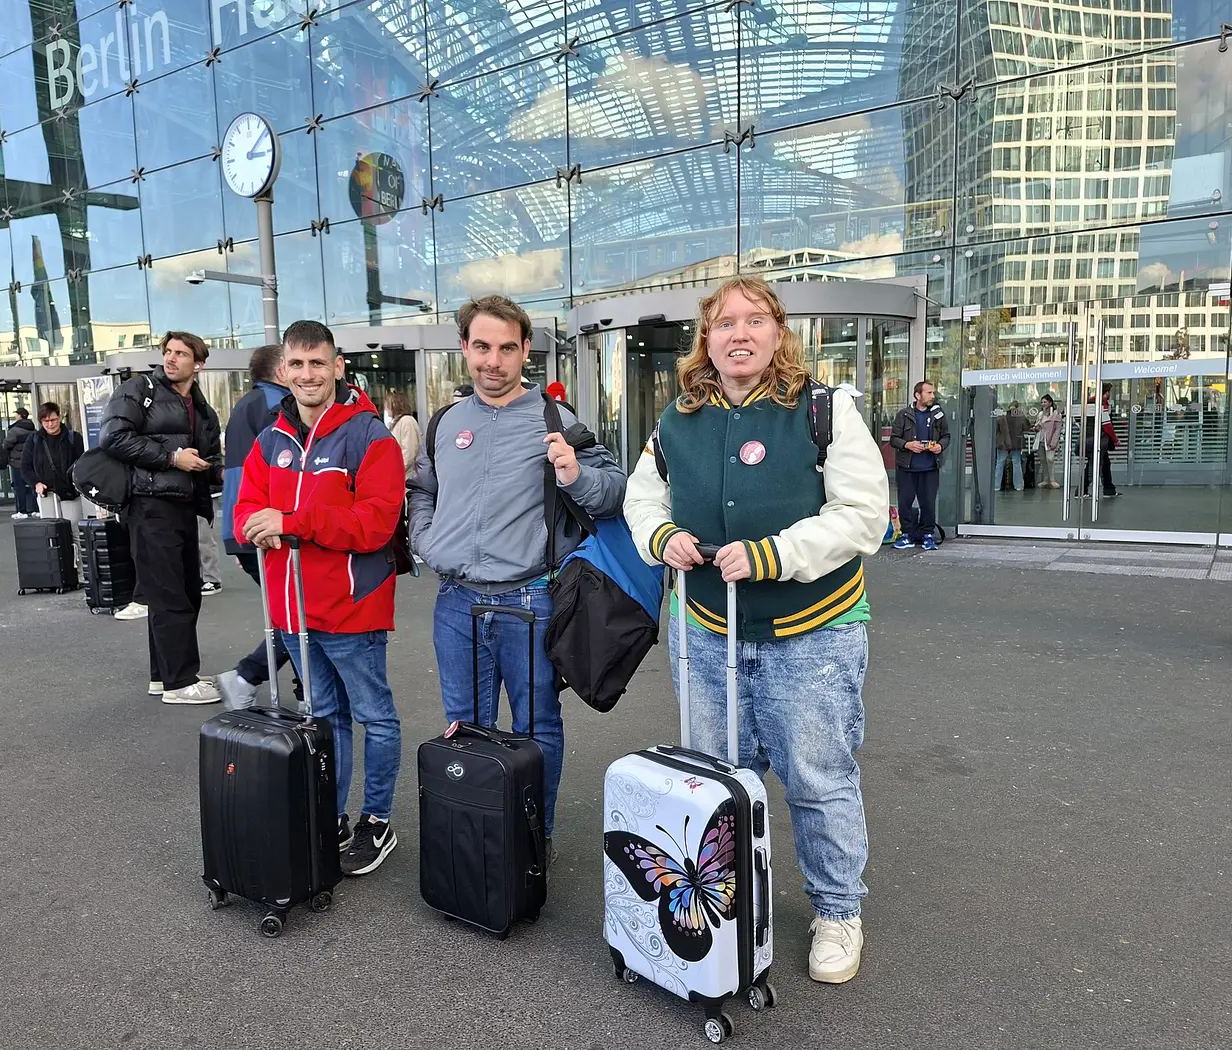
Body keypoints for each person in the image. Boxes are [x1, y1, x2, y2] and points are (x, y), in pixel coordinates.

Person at [622, 275, 889, 985]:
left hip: (814, 635)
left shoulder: (825, 410)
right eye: (724, 322)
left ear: (778, 333)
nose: (739, 334)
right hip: (707, 632)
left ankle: (837, 911)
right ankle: (732, 903)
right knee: (714, 781)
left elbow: (865, 516)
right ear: (705, 339)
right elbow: (641, 498)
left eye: (755, 320)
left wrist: (776, 554)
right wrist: (663, 537)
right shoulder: (675, 420)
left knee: (818, 778)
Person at [407, 294, 627, 851]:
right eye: (482, 346)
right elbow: (422, 489)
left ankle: (532, 839)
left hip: (528, 603)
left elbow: (615, 492)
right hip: (455, 602)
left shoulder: (556, 420)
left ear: (526, 349)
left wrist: (576, 474)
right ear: (464, 347)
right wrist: (426, 541)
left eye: (507, 348)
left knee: (535, 729)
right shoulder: (445, 422)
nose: (493, 361)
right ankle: (477, 836)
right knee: (464, 726)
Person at [234, 320, 406, 875]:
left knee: (375, 717)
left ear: (338, 367)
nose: (308, 375)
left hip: (352, 608)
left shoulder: (368, 436)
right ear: (283, 371)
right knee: (324, 718)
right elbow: (242, 516)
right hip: (291, 612)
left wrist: (291, 522)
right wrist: (260, 526)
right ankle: (331, 816)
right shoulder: (269, 439)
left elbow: (375, 524)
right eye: (298, 365)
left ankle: (376, 822)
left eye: (318, 363)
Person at [98, 331, 223, 705]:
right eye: (168, 351)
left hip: (185, 506)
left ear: (197, 364)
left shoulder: (202, 409)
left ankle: (164, 675)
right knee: (170, 595)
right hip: (149, 507)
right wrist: (172, 458)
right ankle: (180, 682)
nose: (171, 359)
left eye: (181, 354)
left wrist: (217, 470)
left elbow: (210, 457)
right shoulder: (140, 388)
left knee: (184, 593)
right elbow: (112, 437)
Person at [216, 344, 294, 708]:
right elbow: (283, 471)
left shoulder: (247, 404)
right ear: (281, 370)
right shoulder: (276, 407)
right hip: (265, 525)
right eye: (295, 363)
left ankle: (259, 679)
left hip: (245, 524)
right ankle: (246, 675)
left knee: (291, 609)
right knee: (300, 613)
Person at [888, 380, 949, 550]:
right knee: (905, 502)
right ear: (918, 395)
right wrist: (907, 445)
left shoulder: (938, 414)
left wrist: (940, 446)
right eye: (929, 393)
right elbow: (894, 439)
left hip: (930, 468)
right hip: (907, 468)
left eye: (932, 392)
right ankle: (906, 535)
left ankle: (927, 535)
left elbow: (946, 435)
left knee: (928, 503)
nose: (932, 396)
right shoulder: (904, 415)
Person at [19, 403, 85, 526]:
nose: (50, 424)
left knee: (73, 526)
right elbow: (25, 467)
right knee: (51, 529)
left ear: (59, 417)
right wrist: (36, 483)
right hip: (46, 492)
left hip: (69, 491)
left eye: (53, 420)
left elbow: (82, 462)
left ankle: (75, 546)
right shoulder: (33, 440)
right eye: (45, 421)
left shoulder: (74, 438)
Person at [1083, 384, 1120, 498]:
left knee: (1102, 464)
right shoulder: (1101, 403)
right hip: (1099, 438)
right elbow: (1106, 424)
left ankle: (1108, 489)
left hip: (1090, 437)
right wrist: (1115, 439)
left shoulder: (1090, 402)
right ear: (1107, 392)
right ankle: (1082, 490)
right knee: (1095, 464)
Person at [1, 408, 38, 518]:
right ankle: (36, 509)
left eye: (16, 414)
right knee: (33, 485)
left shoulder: (14, 430)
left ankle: (22, 511)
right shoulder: (34, 430)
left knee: (19, 486)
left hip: (17, 462)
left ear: (20, 416)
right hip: (31, 461)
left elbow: (6, 445)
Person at [383, 390, 421, 477]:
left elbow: (409, 453)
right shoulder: (396, 422)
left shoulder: (407, 422)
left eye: (387, 405)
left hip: (407, 478)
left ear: (395, 405)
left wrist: (394, 471)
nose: (385, 409)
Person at [992, 401, 1026, 495]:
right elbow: (1027, 426)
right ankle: (1018, 486)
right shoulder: (1020, 416)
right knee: (1016, 463)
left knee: (1000, 463)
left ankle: (996, 486)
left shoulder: (1003, 415)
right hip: (1016, 443)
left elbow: (995, 428)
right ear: (1018, 407)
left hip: (1003, 443)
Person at [1035, 394, 1062, 488]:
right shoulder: (1040, 414)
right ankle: (1046, 479)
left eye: (1045, 402)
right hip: (1041, 440)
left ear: (1050, 403)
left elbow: (1057, 429)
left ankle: (1052, 480)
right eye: (1042, 402)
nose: (1043, 404)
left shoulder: (1056, 414)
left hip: (1050, 441)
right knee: (1043, 460)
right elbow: (1037, 426)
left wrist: (1054, 442)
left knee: (1050, 459)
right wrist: (1036, 427)